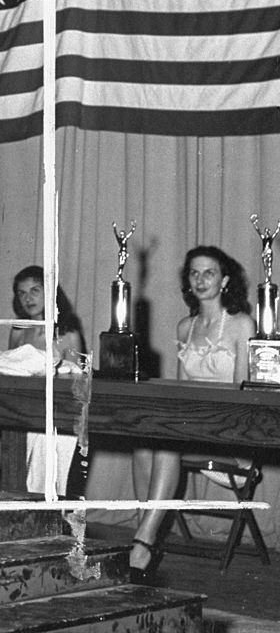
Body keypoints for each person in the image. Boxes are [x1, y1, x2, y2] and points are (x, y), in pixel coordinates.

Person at [129, 245, 254, 583]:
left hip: (229, 432)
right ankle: (148, 533)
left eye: (208, 273)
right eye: (194, 273)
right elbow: (182, 393)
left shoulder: (242, 324)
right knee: (143, 442)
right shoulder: (185, 327)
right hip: (192, 429)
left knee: (167, 443)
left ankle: (142, 543)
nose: (200, 280)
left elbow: (243, 391)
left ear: (224, 280)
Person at [0, 265, 85, 490]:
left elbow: (78, 384)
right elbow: (10, 370)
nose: (27, 299)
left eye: (34, 291)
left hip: (52, 410)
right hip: (19, 407)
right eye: (21, 293)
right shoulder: (19, 330)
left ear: (50, 293)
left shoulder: (68, 334)